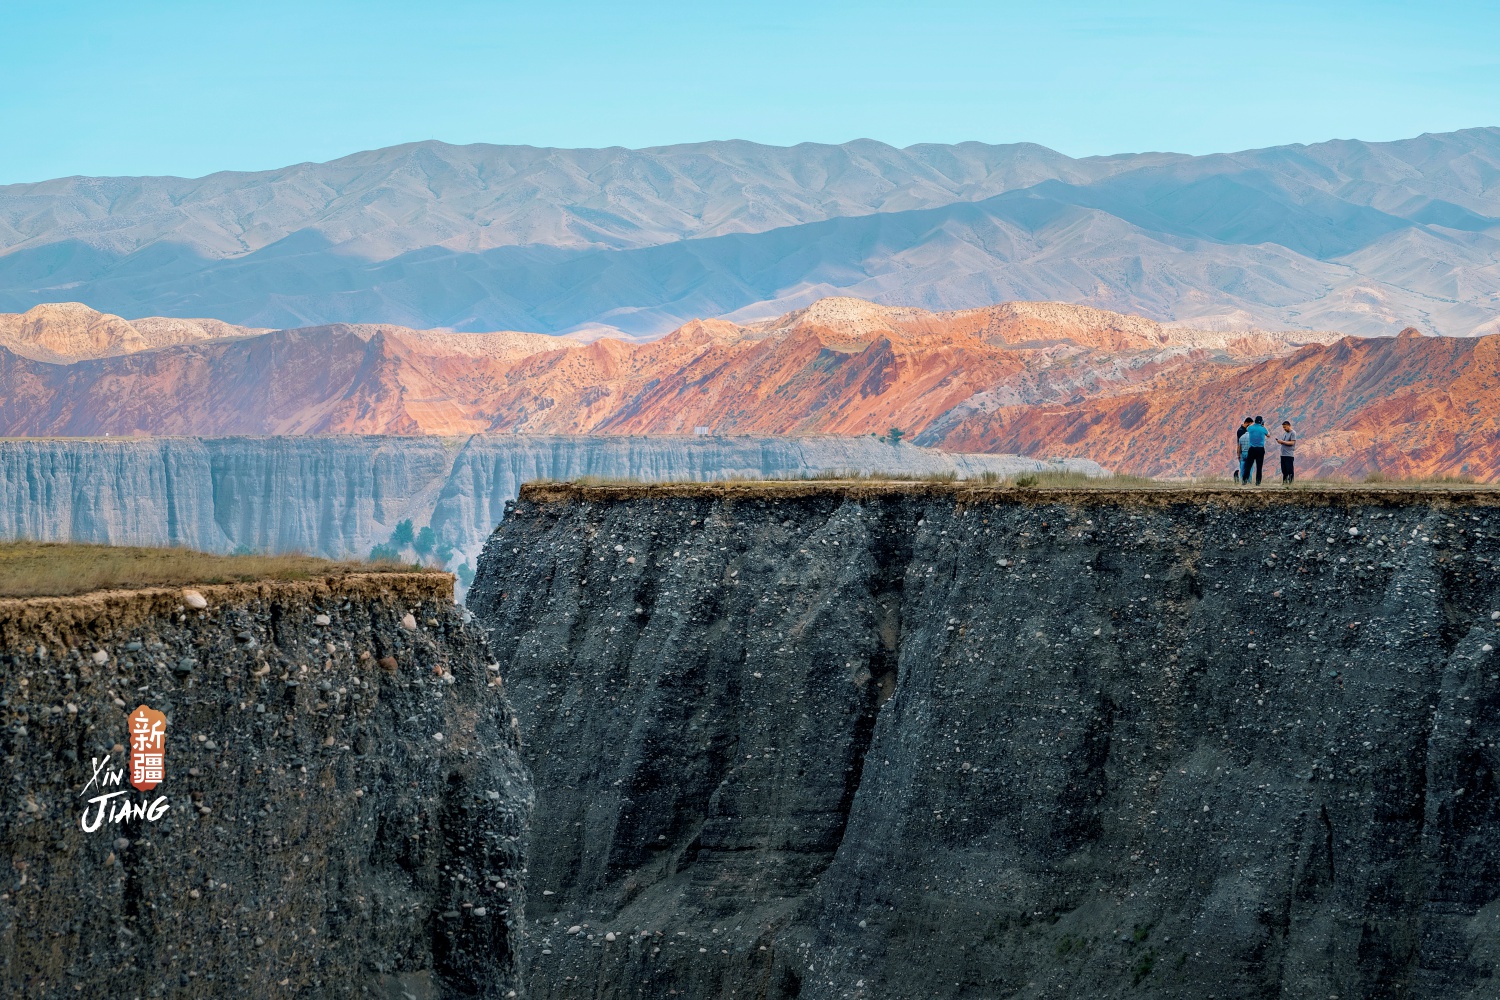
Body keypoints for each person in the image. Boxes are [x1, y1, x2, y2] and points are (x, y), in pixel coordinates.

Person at [1243, 416, 1268, 486]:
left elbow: (1247, 428)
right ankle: (1258, 482)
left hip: (1252, 449)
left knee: (1248, 465)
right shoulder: (1263, 429)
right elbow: (1268, 435)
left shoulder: (1250, 428)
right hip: (1260, 449)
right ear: (1261, 421)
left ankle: (1244, 481)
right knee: (1259, 467)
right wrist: (1263, 426)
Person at [1276, 420, 1296, 485]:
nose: (1284, 429)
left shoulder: (1293, 433)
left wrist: (1283, 442)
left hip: (1289, 455)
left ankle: (1290, 482)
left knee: (1290, 469)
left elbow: (1292, 442)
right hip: (1283, 454)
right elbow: (1284, 442)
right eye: (1283, 427)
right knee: (1284, 470)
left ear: (1289, 426)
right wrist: (1280, 442)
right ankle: (1284, 482)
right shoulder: (1284, 433)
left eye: (1285, 427)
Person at [1234, 417, 1252, 483]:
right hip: (1247, 452)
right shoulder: (1241, 431)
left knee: (1243, 467)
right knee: (1249, 467)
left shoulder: (1241, 433)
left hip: (1242, 452)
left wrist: (1238, 454)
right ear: (1247, 423)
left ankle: (1242, 481)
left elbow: (1239, 445)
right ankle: (1248, 481)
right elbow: (1239, 445)